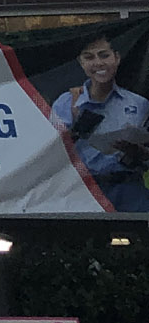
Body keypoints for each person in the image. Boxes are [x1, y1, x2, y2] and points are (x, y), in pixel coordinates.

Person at [51, 35, 149, 212]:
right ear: (81, 63)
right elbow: (52, 153)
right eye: (89, 57)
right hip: (84, 191)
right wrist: (76, 123)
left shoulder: (138, 104)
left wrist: (137, 152)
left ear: (116, 58)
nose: (98, 63)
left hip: (130, 191)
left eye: (104, 55)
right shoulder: (66, 102)